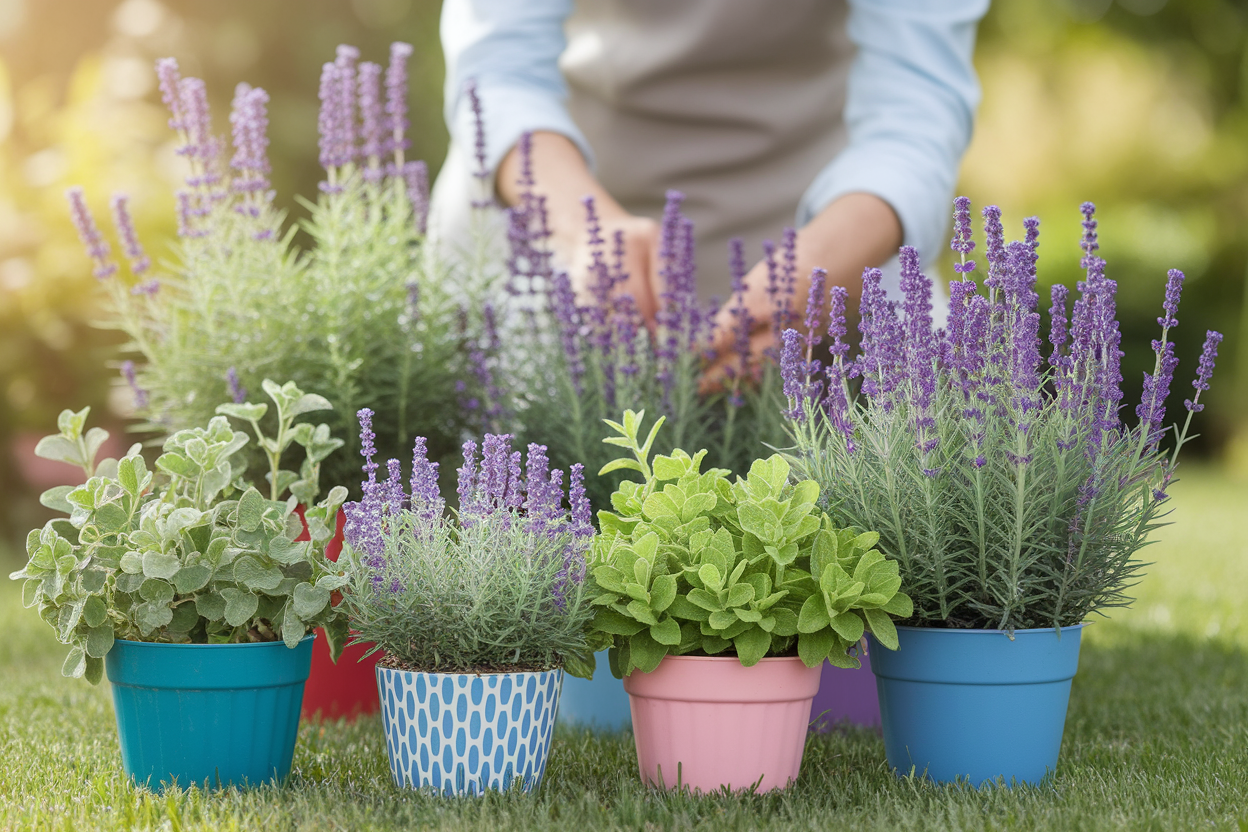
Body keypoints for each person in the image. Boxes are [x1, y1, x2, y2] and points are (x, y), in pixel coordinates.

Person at [430, 0, 989, 365]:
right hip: (543, 230)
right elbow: (498, 68)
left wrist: (823, 265)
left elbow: (917, 101)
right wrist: (585, 234)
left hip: (829, 241)